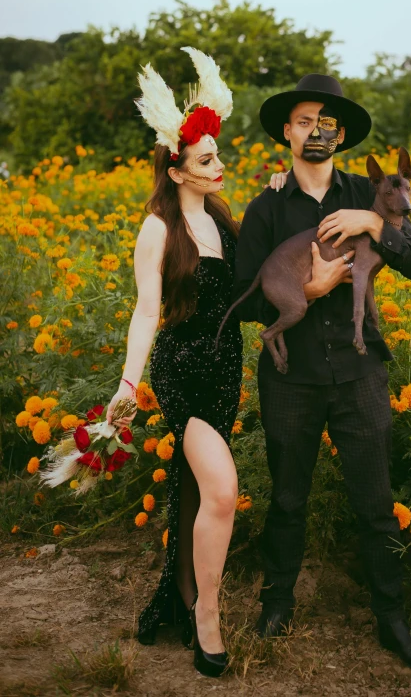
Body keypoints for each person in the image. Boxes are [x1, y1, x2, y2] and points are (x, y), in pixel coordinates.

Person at [232, 74, 411, 671]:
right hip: (291, 377)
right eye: (303, 120)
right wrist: (311, 286)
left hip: (360, 373)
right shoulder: (267, 206)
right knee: (287, 498)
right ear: (288, 134)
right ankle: (277, 604)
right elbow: (245, 301)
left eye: (326, 122)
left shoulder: (371, 193)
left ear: (340, 134)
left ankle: (392, 618)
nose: (315, 130)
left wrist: (376, 226)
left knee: (375, 502)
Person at [105, 47, 285, 678]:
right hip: (183, 371)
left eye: (218, 155)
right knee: (224, 491)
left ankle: (183, 596)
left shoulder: (224, 219)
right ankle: (207, 613)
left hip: (225, 371)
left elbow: (257, 284)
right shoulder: (159, 228)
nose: (221, 165)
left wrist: (280, 198)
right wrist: (129, 382)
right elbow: (146, 312)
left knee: (194, 493)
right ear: (178, 170)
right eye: (208, 160)